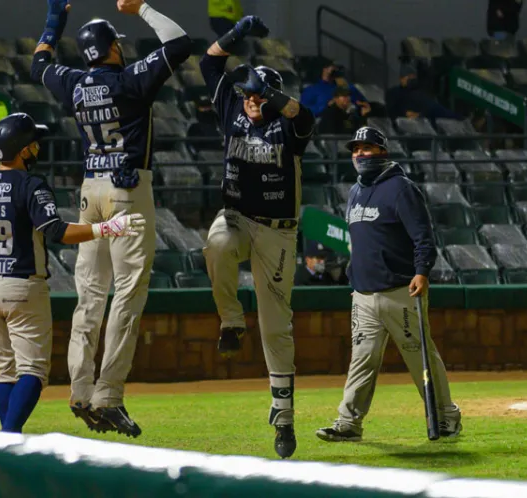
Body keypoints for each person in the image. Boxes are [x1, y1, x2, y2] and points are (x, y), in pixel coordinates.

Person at [30, 0, 191, 437]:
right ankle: (109, 395)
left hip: (90, 190)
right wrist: (141, 8)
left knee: (90, 295)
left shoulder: (74, 83)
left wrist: (53, 22)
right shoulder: (129, 80)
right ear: (111, 49)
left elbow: (39, 63)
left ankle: (80, 390)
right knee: (128, 295)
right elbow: (179, 43)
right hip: (126, 192)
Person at [0, 112, 144, 434]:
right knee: (33, 371)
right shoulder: (31, 184)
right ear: (23, 149)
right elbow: (56, 231)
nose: (37, 147)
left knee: (5, 371)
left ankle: (7, 436)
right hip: (22, 285)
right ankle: (9, 437)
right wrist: (106, 228)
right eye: (33, 143)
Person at [200, 15, 315, 459]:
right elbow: (210, 65)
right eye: (246, 93)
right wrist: (239, 31)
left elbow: (305, 117)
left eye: (256, 94)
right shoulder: (232, 108)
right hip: (237, 216)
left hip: (278, 233)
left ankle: (283, 419)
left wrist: (270, 94)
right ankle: (230, 320)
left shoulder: (286, 125)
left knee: (275, 327)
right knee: (217, 246)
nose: (249, 100)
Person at [315, 126, 461, 442]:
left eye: (366, 148)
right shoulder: (354, 191)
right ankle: (349, 424)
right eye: (355, 149)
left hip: (401, 290)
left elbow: (424, 237)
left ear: (383, 151)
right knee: (361, 361)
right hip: (364, 294)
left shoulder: (401, 189)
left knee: (419, 355)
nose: (359, 154)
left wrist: (422, 272)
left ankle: (446, 417)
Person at [386, 64, 462, 125]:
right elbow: (392, 110)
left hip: (424, 115)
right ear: (401, 78)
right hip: (408, 121)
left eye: (412, 77)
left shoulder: (419, 91)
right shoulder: (395, 92)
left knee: (439, 111)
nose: (411, 79)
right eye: (408, 77)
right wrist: (405, 113)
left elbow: (433, 107)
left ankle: (461, 118)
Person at [300, 61, 369, 118]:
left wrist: (358, 107)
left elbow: (363, 104)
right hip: (325, 126)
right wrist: (327, 106)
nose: (335, 69)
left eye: (336, 67)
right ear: (324, 69)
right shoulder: (311, 90)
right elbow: (304, 112)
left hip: (349, 124)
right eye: (333, 66)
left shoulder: (347, 87)